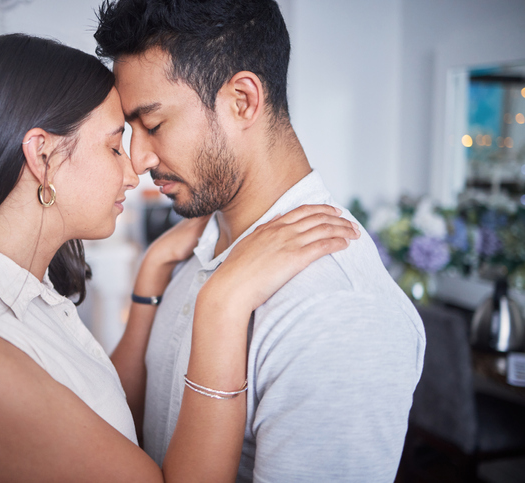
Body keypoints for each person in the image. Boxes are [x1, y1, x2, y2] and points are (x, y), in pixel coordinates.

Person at [0, 33, 359, 482]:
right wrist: (222, 304)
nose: (134, 169)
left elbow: (104, 428)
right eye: (115, 144)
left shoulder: (19, 287)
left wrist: (150, 279)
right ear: (42, 154)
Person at [95, 1, 426, 481]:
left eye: (154, 124)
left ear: (243, 100)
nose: (139, 158)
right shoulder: (196, 246)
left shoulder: (339, 310)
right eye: (131, 131)